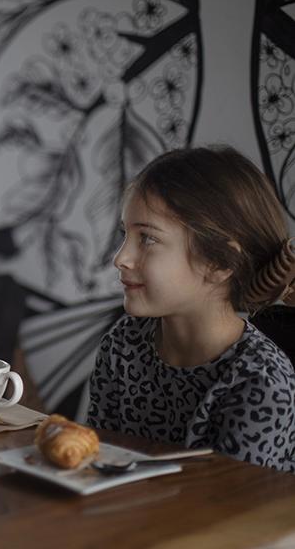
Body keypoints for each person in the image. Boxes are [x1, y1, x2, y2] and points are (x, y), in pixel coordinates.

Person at [87, 146, 295, 472]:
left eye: (148, 239)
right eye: (125, 235)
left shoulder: (260, 381)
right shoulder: (123, 343)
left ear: (219, 262)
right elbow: (99, 463)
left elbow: (234, 515)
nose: (121, 258)